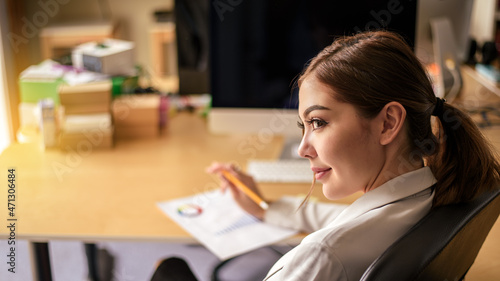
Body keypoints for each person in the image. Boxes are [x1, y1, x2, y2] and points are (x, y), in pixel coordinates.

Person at [152, 31, 500, 281]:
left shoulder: (320, 258)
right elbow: (343, 222)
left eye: (318, 122)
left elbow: (335, 238)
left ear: (388, 123)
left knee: (169, 267)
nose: (303, 149)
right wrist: (264, 208)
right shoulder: (430, 195)